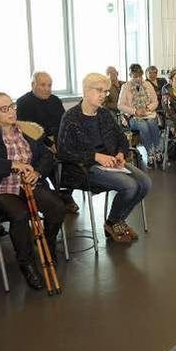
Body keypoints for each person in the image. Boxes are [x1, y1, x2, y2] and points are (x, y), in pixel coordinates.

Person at [0, 92, 65, 290]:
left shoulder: (23, 130)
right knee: (20, 214)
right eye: (4, 109)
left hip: (28, 183)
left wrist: (38, 172)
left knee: (57, 208)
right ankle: (26, 262)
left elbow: (47, 156)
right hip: (0, 186)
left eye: (12, 106)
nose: (12, 111)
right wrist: (10, 165)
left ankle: (47, 244)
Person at [58, 73, 151, 242]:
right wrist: (95, 156)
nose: (103, 95)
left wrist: (121, 153)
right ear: (86, 91)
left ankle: (115, 220)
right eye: (99, 90)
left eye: (106, 91)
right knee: (130, 185)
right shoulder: (71, 117)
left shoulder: (104, 114)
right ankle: (115, 221)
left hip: (111, 162)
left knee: (145, 183)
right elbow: (64, 152)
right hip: (85, 168)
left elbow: (121, 138)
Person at [118, 64, 162, 166]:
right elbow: (120, 105)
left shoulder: (147, 84)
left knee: (151, 123)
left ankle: (158, 150)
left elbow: (155, 101)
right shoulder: (126, 87)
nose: (138, 79)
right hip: (132, 116)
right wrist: (135, 111)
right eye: (135, 76)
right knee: (144, 126)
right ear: (130, 75)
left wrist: (147, 108)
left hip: (148, 113)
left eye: (139, 76)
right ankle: (150, 153)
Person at [15, 72, 65, 147]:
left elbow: (64, 123)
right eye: (43, 85)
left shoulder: (56, 100)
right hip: (37, 142)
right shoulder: (23, 103)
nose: (47, 89)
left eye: (49, 85)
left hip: (58, 138)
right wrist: (50, 144)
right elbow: (29, 131)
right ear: (33, 85)